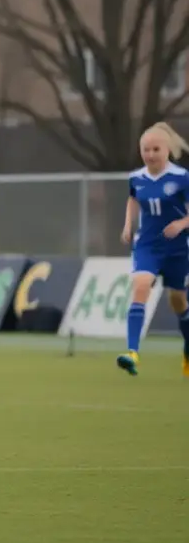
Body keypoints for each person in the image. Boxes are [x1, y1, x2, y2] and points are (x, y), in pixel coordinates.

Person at [119, 122, 189, 378]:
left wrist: (181, 223)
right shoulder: (136, 178)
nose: (150, 154)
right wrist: (128, 225)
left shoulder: (182, 178)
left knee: (178, 302)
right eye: (145, 150)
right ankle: (132, 352)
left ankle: (188, 348)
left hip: (177, 249)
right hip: (147, 245)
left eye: (155, 149)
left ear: (167, 149)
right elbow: (132, 198)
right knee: (140, 286)